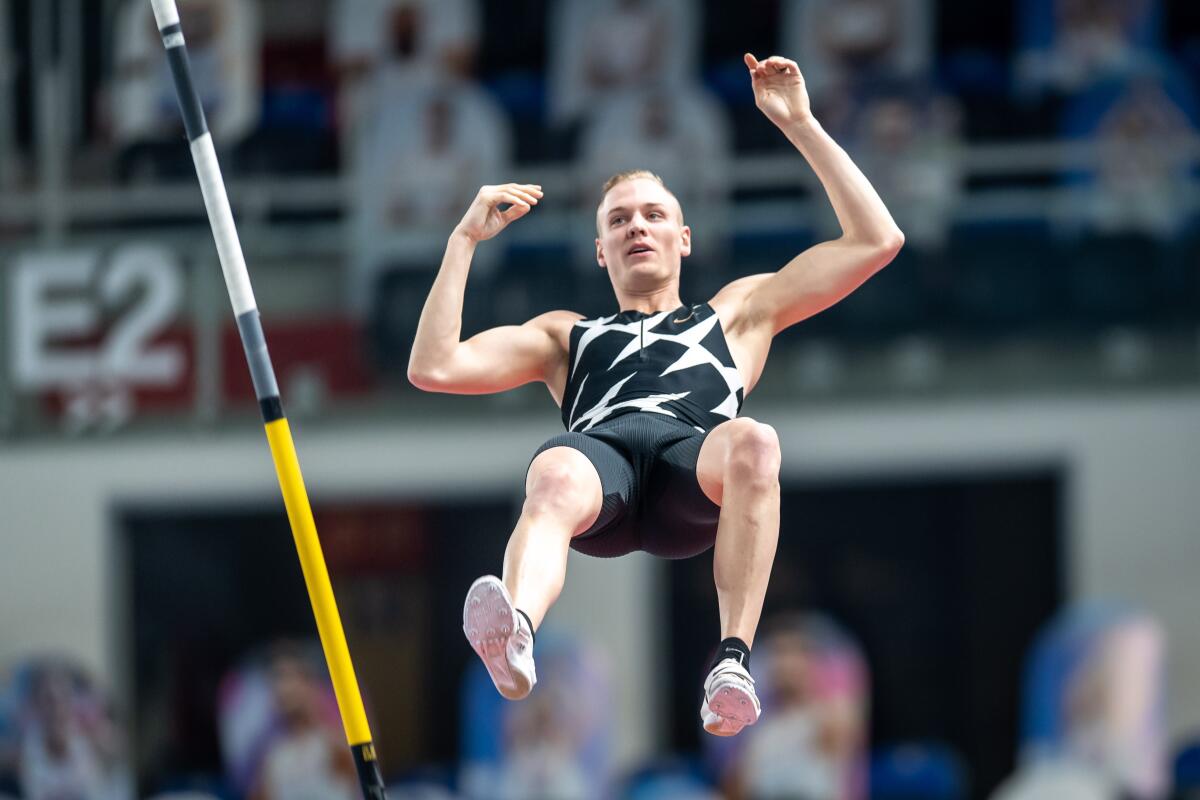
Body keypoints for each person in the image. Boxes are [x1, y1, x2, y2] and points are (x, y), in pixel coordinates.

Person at [408, 53, 904, 737]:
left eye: (652, 214)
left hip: (688, 474)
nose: (636, 226)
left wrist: (802, 123)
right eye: (617, 221)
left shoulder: (735, 314)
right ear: (600, 252)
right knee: (552, 468)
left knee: (757, 441)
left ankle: (732, 661)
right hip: (600, 475)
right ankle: (516, 634)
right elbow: (434, 366)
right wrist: (463, 239)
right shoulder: (566, 335)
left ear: (684, 237)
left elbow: (877, 240)